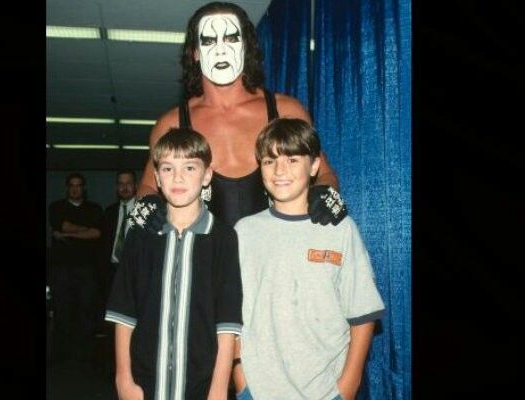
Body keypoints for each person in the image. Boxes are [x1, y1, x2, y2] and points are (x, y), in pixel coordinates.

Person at [130, 1, 347, 231]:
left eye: (232, 38)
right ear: (195, 52)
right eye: (208, 41)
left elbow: (324, 172)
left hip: (272, 255)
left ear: (246, 47)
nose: (221, 50)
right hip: (204, 258)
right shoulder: (171, 124)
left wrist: (326, 193)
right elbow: (147, 187)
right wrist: (147, 205)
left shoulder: (286, 111)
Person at [233, 119, 385, 400]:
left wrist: (348, 385)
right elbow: (232, 313)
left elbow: (362, 313)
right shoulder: (244, 231)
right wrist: (241, 378)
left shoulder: (340, 228)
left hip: (325, 391)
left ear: (314, 166)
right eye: (269, 161)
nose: (280, 170)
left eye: (292, 159)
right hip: (257, 390)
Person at [105, 128, 243, 400]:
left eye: (189, 167)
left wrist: (218, 389)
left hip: (201, 386)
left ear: (206, 176)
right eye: (167, 168)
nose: (178, 177)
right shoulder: (140, 235)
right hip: (145, 385)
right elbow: (123, 313)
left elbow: (227, 323)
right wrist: (124, 379)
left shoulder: (223, 237)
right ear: (156, 177)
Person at [48, 172, 104, 365]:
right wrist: (84, 229)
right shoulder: (56, 207)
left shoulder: (94, 208)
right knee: (62, 311)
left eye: (78, 185)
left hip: (86, 269)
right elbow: (63, 224)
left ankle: (84, 357)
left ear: (84, 188)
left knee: (86, 312)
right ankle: (61, 356)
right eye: (71, 185)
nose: (75, 188)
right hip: (60, 269)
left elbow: (96, 233)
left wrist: (68, 233)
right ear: (66, 188)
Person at [102, 170, 137, 314]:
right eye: (121, 184)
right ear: (116, 187)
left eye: (128, 183)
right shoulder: (109, 211)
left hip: (135, 269)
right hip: (112, 270)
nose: (125, 187)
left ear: (135, 185)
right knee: (113, 311)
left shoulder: (143, 210)